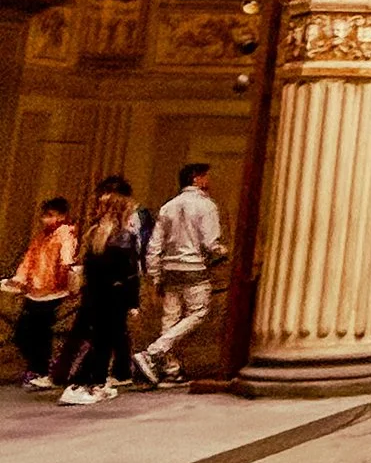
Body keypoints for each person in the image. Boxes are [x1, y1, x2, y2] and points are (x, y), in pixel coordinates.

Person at [135, 159, 225, 386]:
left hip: (169, 268)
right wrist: (223, 251)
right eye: (206, 176)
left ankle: (170, 368)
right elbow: (210, 243)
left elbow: (155, 244)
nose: (209, 181)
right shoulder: (207, 206)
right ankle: (154, 352)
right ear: (197, 178)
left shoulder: (169, 206)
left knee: (171, 317)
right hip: (194, 267)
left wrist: (155, 274)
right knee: (199, 312)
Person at [58, 177, 146, 403]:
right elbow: (129, 274)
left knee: (98, 341)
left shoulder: (95, 234)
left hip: (95, 295)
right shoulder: (124, 237)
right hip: (114, 298)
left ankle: (90, 383)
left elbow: (90, 269)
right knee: (103, 343)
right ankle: (87, 384)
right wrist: (133, 302)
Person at [9, 193, 79, 390]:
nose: (45, 219)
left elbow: (66, 261)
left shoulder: (66, 234)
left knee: (40, 333)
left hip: (53, 293)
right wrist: (20, 279)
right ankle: (38, 366)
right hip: (35, 292)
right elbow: (28, 260)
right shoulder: (41, 236)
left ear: (62, 216)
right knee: (22, 333)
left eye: (50, 215)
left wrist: (69, 280)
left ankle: (41, 369)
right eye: (44, 215)